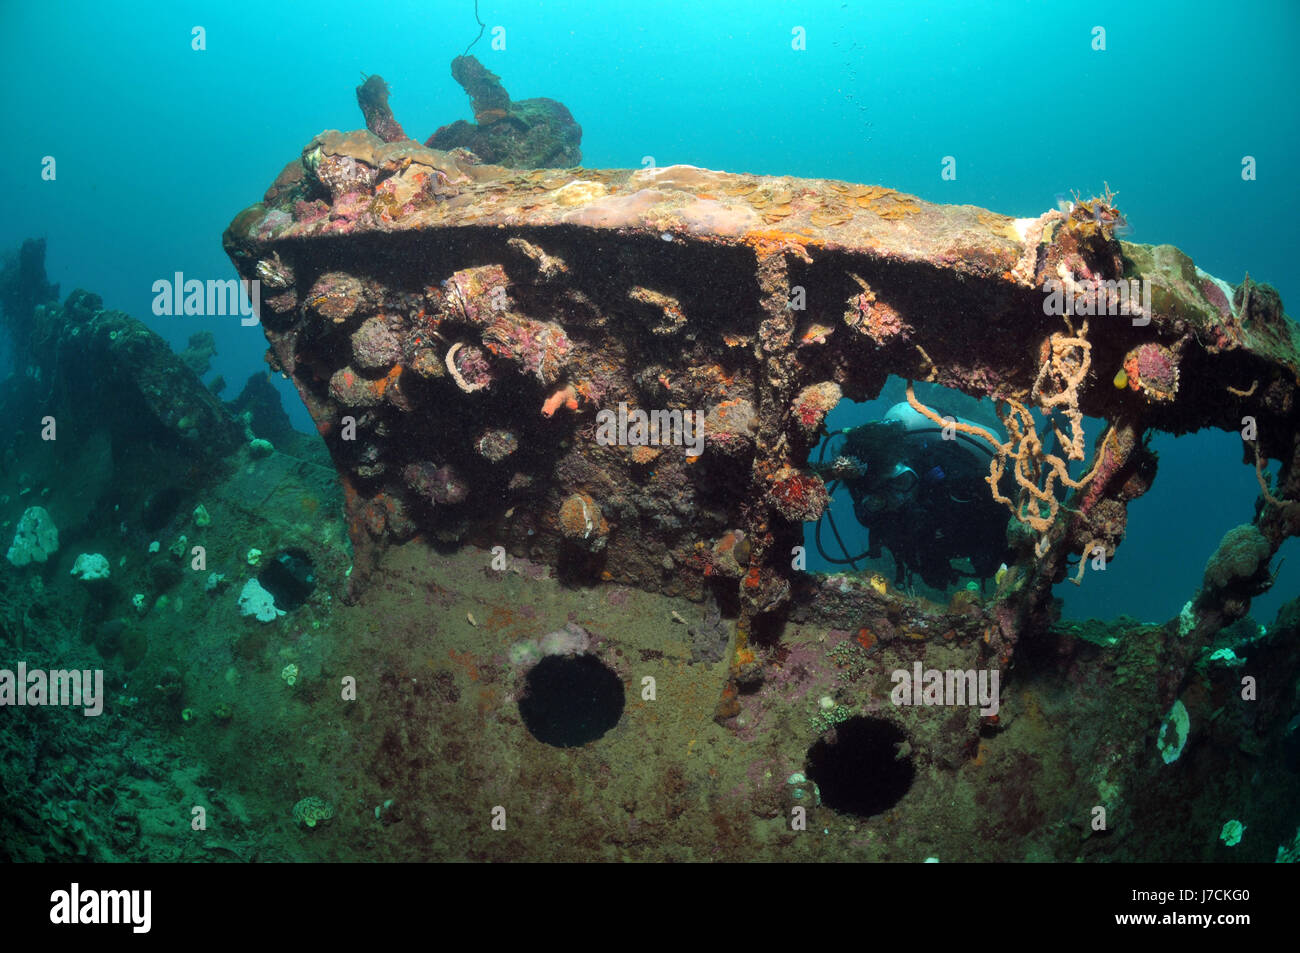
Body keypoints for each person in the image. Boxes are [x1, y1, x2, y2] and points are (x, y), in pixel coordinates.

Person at [812, 401, 1013, 590]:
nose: (898, 500)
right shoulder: (876, 515)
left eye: (901, 482)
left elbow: (1001, 505)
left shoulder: (952, 474)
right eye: (879, 499)